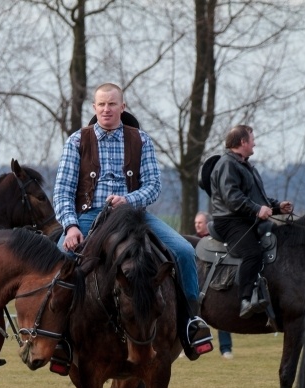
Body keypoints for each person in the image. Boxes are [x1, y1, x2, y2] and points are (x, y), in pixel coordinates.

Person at [53, 82, 212, 359]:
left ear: (122, 107)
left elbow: (153, 186)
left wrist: (129, 200)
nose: (106, 109)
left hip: (134, 216)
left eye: (112, 104)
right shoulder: (77, 141)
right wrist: (71, 226)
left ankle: (190, 323)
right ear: (94, 108)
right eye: (101, 104)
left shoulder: (141, 140)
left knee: (185, 251)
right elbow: (62, 192)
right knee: (60, 257)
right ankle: (60, 338)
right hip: (90, 216)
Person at [209, 125, 293, 319]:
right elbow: (233, 198)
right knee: (252, 253)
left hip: (246, 219)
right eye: (252, 139)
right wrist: (257, 210)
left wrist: (279, 207)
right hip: (230, 221)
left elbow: (258, 199)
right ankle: (245, 300)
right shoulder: (227, 164)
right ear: (242, 142)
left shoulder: (245, 165)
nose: (254, 143)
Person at [194, 211, 234, 360]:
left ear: (208, 224)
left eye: (200, 223)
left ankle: (226, 349)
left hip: (214, 283)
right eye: (196, 223)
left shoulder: (216, 243)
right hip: (198, 284)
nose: (197, 225)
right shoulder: (192, 243)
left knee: (220, 313)